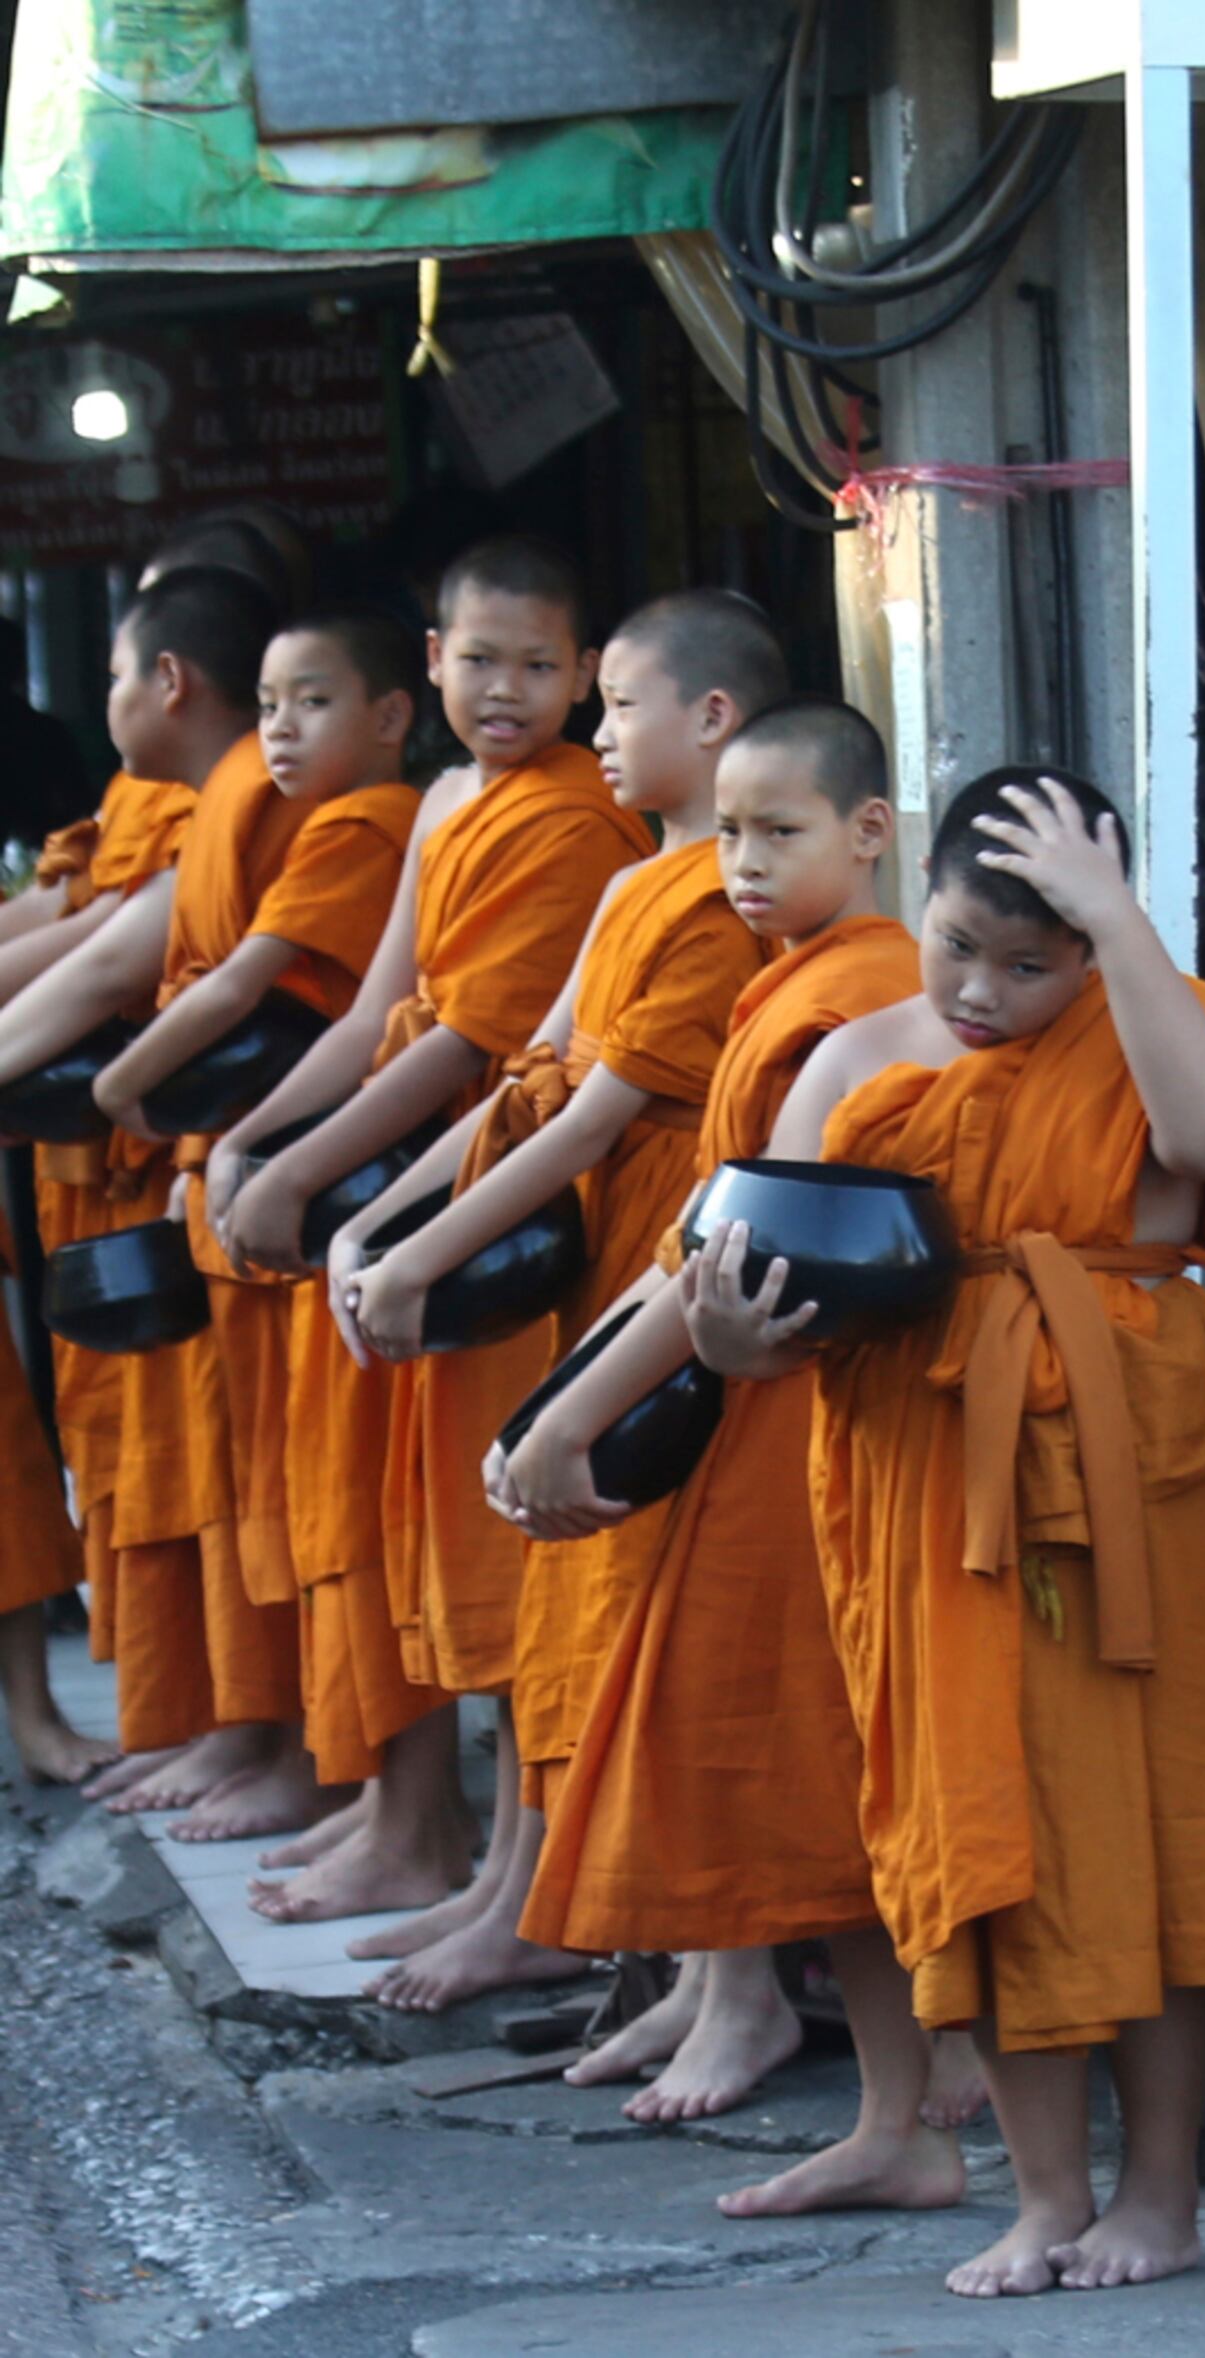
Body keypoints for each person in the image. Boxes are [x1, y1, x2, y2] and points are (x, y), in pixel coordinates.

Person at [692, 768, 1205, 2297]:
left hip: (1131, 1484)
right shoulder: (854, 1059)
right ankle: (1045, 2197)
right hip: (929, 1480)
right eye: (958, 944)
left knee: (1159, 1843)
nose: (980, 991)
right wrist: (725, 1342)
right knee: (995, 1842)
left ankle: (1158, 2195)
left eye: (1032, 963)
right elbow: (752, 1273)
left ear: (1098, 950)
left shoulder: (1171, 1024)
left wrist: (1117, 924)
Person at [498, 696, 984, 2184]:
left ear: (873, 833)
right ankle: (896, 2105)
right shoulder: (800, 988)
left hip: (837, 1420)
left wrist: (568, 1410)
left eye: (781, 831)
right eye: (729, 834)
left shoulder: (873, 999)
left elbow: (728, 1243)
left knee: (838, 1756)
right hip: (784, 1411)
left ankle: (918, 2096)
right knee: (815, 1757)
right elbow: (713, 1238)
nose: (745, 865)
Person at [321, 589, 772, 2017]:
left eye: (617, 702)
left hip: (661, 1274)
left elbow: (590, 1123)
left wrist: (413, 1244)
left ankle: (636, 1936)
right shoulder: (641, 875)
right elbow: (535, 1072)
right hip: (584, 1266)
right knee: (562, 1596)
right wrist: (386, 1214)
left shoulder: (717, 899)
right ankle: (527, 1883)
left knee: (639, 1613)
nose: (594, 726)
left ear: (713, 721)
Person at [223, 537, 647, 1957]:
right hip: (416, 1194)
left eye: (540, 665)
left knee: (499, 1550)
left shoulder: (580, 814)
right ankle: (446, 1842)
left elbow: (481, 1043)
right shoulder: (447, 798)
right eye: (481, 661)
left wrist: (357, 1195)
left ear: (588, 677)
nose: (507, 691)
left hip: (495, 1216)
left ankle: (498, 1869)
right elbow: (376, 1015)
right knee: (402, 1527)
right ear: (432, 664)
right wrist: (267, 1147)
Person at [67, 609, 422, 1847]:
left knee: (340, 1502)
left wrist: (125, 1094)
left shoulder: (371, 825)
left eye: (312, 701)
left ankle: (354, 1776)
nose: (282, 725)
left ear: (392, 712)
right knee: (266, 1487)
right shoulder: (286, 808)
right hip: (249, 1161)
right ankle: (299, 1749)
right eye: (272, 700)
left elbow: (245, 984)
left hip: (308, 1173)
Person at [0, 567, 279, 1813]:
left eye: (115, 670)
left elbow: (125, 960)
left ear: (172, 679)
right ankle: (212, 1718)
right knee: (154, 1457)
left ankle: (260, 1732)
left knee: (228, 1465)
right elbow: (80, 919)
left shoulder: (247, 805)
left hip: (209, 1163)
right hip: (138, 1167)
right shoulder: (165, 799)